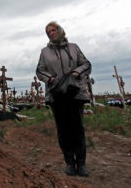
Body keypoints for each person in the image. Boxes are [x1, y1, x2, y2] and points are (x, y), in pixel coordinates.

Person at [36, 21, 91, 177]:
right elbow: (40, 70)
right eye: (48, 32)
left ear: (60, 30)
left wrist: (76, 73)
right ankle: (69, 163)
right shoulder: (45, 52)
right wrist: (51, 79)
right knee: (63, 129)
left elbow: (86, 64)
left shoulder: (73, 48)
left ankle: (81, 163)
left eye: (54, 30)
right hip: (57, 95)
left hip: (75, 94)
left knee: (78, 128)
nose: (51, 33)